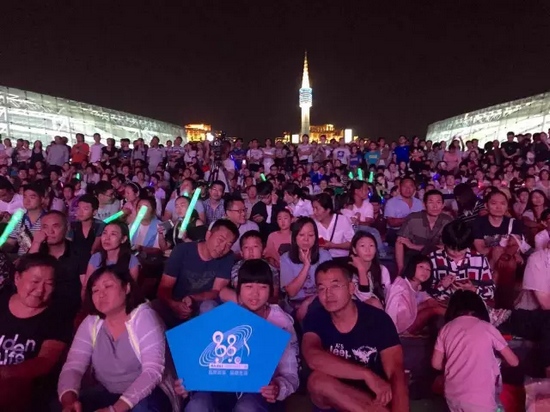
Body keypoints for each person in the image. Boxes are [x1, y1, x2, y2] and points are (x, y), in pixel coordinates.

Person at [178, 259, 299, 412]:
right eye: (248, 286)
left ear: (270, 290)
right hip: (220, 386)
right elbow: (199, 363)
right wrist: (186, 382)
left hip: (258, 391)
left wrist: (278, 387)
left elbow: (291, 375)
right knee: (198, 404)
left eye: (262, 287)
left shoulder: (281, 323)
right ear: (238, 288)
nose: (255, 294)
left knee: (246, 407)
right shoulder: (225, 317)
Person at [58, 266, 174, 412]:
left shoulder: (144, 317)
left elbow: (153, 371)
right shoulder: (91, 322)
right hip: (108, 391)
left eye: (108, 286)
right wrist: (69, 400)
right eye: (95, 290)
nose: (101, 294)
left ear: (127, 288)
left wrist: (115, 409)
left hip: (148, 394)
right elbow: (74, 365)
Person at [302, 261, 408, 412]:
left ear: (351, 288)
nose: (328, 294)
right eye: (322, 288)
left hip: (373, 397)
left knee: (399, 379)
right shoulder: (315, 317)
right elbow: (313, 357)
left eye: (335, 286)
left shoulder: (378, 319)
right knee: (317, 381)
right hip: (334, 399)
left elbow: (395, 371)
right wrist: (366, 374)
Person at [0, 254, 72, 411]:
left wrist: (6, 373)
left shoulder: (58, 316)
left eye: (49, 284)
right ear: (17, 278)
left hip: (28, 395)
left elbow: (45, 361)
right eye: (35, 282)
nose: (40, 290)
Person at [432, 290, 519, 412]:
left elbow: (436, 364)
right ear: (480, 308)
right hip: (481, 398)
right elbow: (514, 362)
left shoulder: (446, 329)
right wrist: (496, 362)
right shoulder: (487, 328)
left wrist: (455, 364)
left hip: (453, 396)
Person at [156, 219, 239, 327]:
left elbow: (216, 291)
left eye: (228, 245)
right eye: (220, 240)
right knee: (154, 308)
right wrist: (174, 305)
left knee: (209, 306)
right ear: (208, 235)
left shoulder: (228, 257)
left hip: (202, 303)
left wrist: (193, 298)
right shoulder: (182, 250)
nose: (222, 248)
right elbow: (164, 287)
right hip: (175, 302)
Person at [28, 211, 88, 318]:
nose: (50, 231)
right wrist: (36, 243)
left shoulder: (79, 251)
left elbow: (85, 286)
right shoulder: (38, 251)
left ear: (66, 228)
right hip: (40, 307)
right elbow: (26, 273)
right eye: (45, 227)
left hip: (71, 309)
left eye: (55, 226)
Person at [429, 219, 495, 304]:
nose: (456, 252)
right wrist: (441, 286)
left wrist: (472, 289)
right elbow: (424, 292)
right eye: (452, 249)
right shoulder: (433, 259)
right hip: (443, 304)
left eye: (461, 249)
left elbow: (491, 292)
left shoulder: (479, 259)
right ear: (445, 243)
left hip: (472, 304)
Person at [280, 217, 332, 320]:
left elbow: (329, 286)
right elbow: (291, 292)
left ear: (316, 237)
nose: (306, 239)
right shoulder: (285, 258)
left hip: (320, 301)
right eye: (301, 235)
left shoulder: (324, 255)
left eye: (311, 235)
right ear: (294, 237)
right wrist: (306, 266)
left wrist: (308, 302)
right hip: (295, 305)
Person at [395, 190, 453, 274]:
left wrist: (414, 246)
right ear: (424, 204)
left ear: (443, 205)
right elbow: (399, 242)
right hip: (415, 257)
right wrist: (400, 268)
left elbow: (450, 246)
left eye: (438, 202)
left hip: (439, 258)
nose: (435, 206)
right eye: (431, 202)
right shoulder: (413, 218)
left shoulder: (448, 221)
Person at [385, 255, 443, 334]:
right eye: (421, 267)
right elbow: (391, 309)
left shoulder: (418, 287)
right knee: (434, 310)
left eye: (428, 269)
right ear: (412, 267)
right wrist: (391, 332)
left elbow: (429, 300)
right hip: (400, 327)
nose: (425, 271)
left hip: (409, 321)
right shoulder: (399, 284)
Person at [220, 230, 280, 303]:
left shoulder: (271, 268)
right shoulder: (237, 267)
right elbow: (238, 288)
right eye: (246, 247)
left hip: (263, 302)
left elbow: (274, 294)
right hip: (243, 300)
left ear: (264, 251)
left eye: (255, 247)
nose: (251, 251)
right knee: (224, 292)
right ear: (241, 253)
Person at [82, 221, 140, 294]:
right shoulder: (96, 257)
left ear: (123, 239)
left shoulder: (132, 261)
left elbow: (131, 290)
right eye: (104, 233)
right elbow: (86, 287)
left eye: (113, 234)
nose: (107, 238)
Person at [348, 231, 391, 309]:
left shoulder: (382, 270)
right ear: (354, 250)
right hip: (356, 309)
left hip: (379, 309)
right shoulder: (348, 271)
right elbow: (365, 296)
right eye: (362, 246)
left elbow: (388, 295)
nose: (367, 250)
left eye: (371, 245)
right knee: (373, 303)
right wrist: (361, 269)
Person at [4, 183, 46, 257]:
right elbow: (11, 242)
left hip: (41, 258)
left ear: (42, 199)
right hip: (21, 259)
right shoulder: (18, 219)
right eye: (25, 197)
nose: (27, 201)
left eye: (32, 197)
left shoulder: (48, 219)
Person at [312, 193, 354, 261]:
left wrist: (333, 245)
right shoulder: (313, 223)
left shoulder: (342, 220)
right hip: (321, 260)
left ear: (328, 210)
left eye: (317, 209)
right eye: (313, 208)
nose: (314, 212)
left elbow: (353, 243)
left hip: (341, 259)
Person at [384, 176, 424, 246]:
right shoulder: (391, 202)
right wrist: (411, 219)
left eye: (410, 186)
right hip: (396, 232)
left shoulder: (419, 203)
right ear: (399, 188)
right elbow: (391, 222)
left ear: (414, 188)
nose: (408, 189)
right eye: (405, 186)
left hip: (416, 232)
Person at [66, 194, 104, 261]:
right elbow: (68, 245)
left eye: (85, 209)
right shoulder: (73, 225)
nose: (80, 212)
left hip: (93, 261)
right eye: (79, 208)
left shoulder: (100, 225)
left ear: (94, 212)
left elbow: (94, 249)